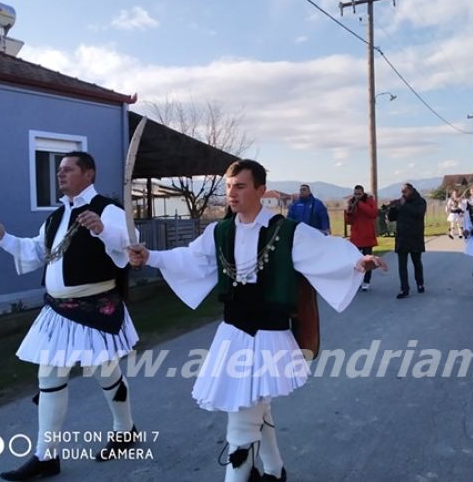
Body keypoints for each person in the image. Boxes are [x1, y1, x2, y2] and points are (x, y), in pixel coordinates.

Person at [128, 159, 385, 482]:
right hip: (232, 334)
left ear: (261, 190)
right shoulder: (219, 231)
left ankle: (253, 474)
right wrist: (150, 256)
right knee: (252, 407)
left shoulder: (288, 231)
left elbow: (326, 251)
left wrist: (358, 261)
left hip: (269, 336)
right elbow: (191, 259)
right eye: (228, 187)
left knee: (241, 421)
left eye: (240, 186)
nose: (231, 194)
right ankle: (275, 471)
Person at [0, 151, 139, 480]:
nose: (60, 174)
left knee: (104, 372)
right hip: (58, 309)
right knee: (50, 377)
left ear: (89, 174)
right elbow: (37, 251)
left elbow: (126, 247)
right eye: (59, 170)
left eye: (68, 169)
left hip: (96, 307)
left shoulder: (108, 211)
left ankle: (125, 431)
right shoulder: (56, 217)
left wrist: (101, 231)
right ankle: (46, 456)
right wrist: (4, 239)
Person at [387, 183, 427, 299]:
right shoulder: (401, 203)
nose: (403, 194)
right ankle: (404, 289)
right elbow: (391, 218)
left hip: (415, 236)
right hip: (402, 237)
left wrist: (404, 206)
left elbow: (418, 214)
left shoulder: (420, 201)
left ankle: (420, 283)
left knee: (416, 262)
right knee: (402, 265)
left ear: (411, 190)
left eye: (404, 191)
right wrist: (393, 207)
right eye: (402, 192)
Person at [344, 185, 378, 291]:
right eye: (355, 194)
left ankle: (366, 281)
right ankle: (357, 281)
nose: (357, 196)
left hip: (367, 236)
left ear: (363, 193)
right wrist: (348, 210)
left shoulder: (369, 200)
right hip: (356, 237)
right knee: (356, 261)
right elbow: (348, 221)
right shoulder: (351, 202)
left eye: (359, 194)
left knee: (367, 261)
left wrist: (360, 204)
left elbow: (373, 214)